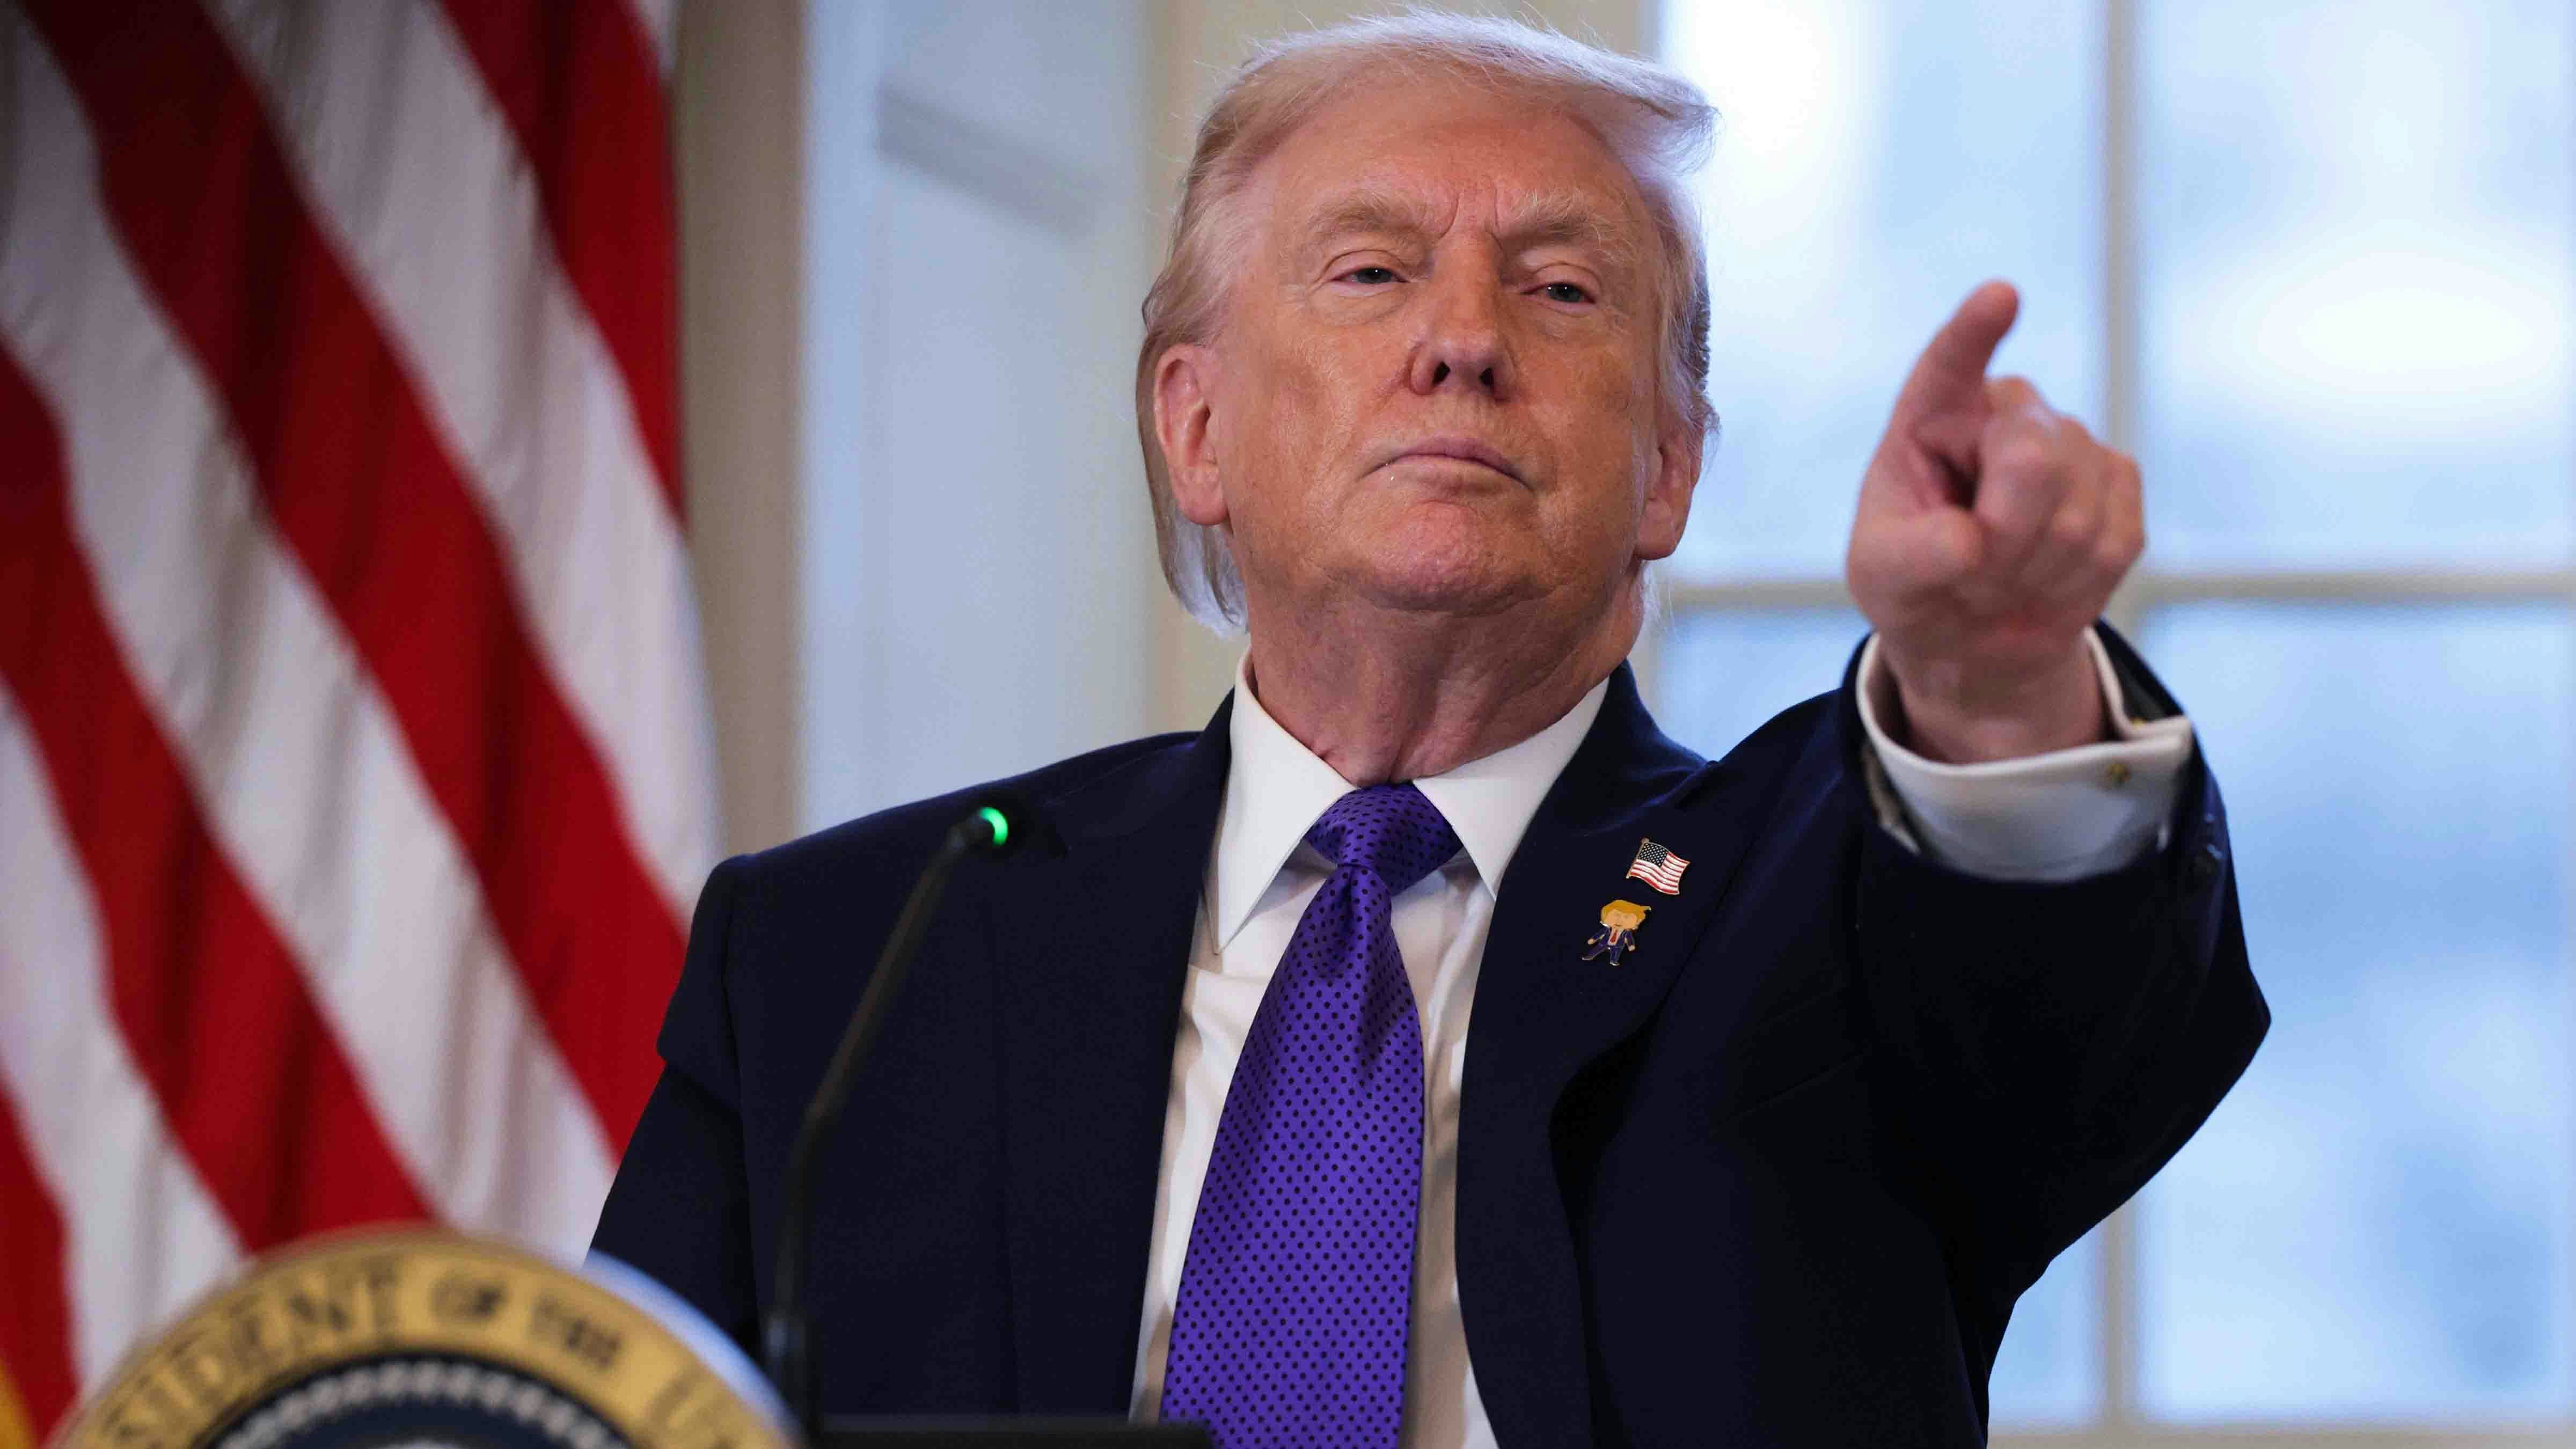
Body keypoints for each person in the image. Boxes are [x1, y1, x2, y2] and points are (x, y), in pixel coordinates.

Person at [594, 14, 2264, 1448]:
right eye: (1374, 270)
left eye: (1558, 290)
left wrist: (1991, 682)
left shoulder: (1823, 901)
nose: (1463, 342)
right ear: (1198, 430)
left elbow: (2057, 995)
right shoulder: (854, 952)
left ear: (1669, 466)